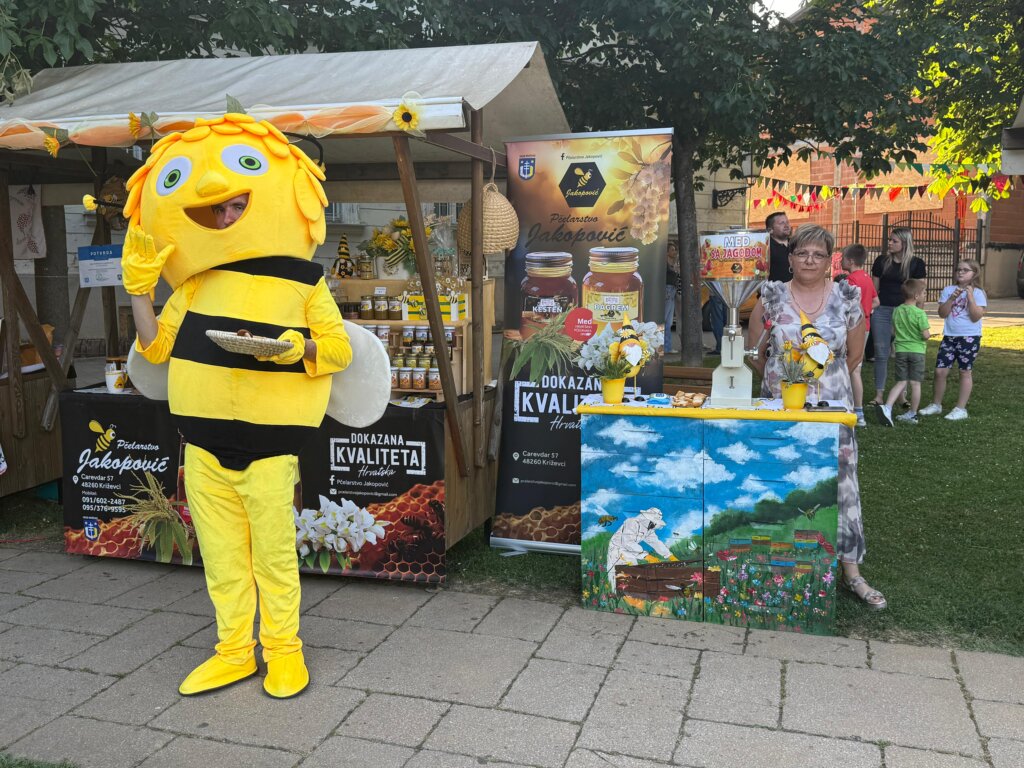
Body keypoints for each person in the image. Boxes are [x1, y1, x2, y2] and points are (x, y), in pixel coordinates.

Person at [123, 114, 358, 699]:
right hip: (204, 451)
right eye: (218, 211)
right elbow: (154, 347)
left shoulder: (304, 283)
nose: (227, 218)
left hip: (269, 452)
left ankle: (283, 651)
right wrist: (137, 292)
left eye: (235, 206)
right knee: (224, 561)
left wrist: (294, 349)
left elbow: (338, 350)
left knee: (273, 560)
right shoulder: (196, 284)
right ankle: (233, 652)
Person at [748, 224, 885, 610]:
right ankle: (778, 562)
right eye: (802, 253)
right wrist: (783, 380)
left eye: (818, 254)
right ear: (790, 258)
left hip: (832, 406)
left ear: (829, 261)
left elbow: (854, 356)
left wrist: (822, 383)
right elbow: (756, 354)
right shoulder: (771, 297)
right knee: (781, 479)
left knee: (841, 483)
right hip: (781, 407)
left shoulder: (846, 297)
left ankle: (851, 571)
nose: (809, 260)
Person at [919, 259, 987, 421]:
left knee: (965, 371)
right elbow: (942, 313)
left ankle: (960, 408)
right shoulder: (948, 289)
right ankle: (936, 404)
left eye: (965, 270)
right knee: (940, 371)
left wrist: (970, 297)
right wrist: (951, 299)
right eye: (958, 269)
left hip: (969, 337)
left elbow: (976, 316)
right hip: (950, 336)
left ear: (974, 273)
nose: (960, 272)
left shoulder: (978, 293)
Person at [869, 227, 926, 406]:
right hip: (883, 311)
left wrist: (918, 315)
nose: (890, 243)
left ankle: (902, 395)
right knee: (881, 353)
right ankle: (879, 395)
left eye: (894, 241)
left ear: (905, 243)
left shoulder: (916, 264)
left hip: (905, 313)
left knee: (903, 354)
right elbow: (874, 290)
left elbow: (920, 293)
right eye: (890, 240)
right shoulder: (881, 261)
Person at [878, 279, 930, 426]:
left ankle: (887, 407)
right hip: (917, 352)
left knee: (901, 382)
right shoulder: (920, 313)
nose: (925, 295)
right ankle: (912, 414)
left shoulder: (897, 310)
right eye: (924, 292)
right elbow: (926, 335)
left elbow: (893, 331)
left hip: (901, 351)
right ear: (916, 296)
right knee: (915, 384)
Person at [840, 244, 879, 426]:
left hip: (851, 328)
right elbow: (876, 301)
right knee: (857, 367)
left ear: (850, 261)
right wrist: (866, 311)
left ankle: (854, 410)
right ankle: (858, 410)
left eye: (842, 258)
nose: (840, 261)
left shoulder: (850, 280)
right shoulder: (867, 278)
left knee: (850, 367)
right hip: (865, 327)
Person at [766, 211, 792, 282]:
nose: (786, 225)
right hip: (775, 288)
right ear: (770, 230)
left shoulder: (796, 244)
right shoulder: (766, 248)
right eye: (781, 223)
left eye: (787, 222)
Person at [664, 241, 679, 355]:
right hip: (668, 290)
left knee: (669, 321)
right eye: (672, 250)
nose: (674, 252)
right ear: (667, 252)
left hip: (673, 290)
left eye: (675, 250)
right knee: (665, 319)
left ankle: (667, 347)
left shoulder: (673, 263)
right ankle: (665, 346)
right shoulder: (665, 263)